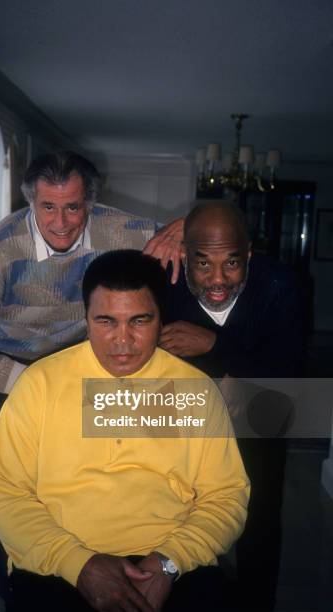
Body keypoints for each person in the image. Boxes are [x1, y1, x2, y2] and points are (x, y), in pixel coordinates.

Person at [0, 151, 183, 601]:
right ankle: (6, 586)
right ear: (30, 204)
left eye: (73, 207)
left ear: (90, 205)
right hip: (1, 371)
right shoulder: (1, 249)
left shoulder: (117, 228)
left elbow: (209, 243)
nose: (61, 223)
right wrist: (28, 382)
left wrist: (187, 225)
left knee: (74, 479)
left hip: (73, 366)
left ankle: (81, 574)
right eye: (47, 207)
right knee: (6, 491)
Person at [0, 249, 250, 612]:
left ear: (161, 319)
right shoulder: (39, 385)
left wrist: (168, 563)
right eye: (106, 322)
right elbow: (5, 495)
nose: (122, 341)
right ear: (86, 319)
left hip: (172, 559)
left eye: (139, 321)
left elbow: (227, 496)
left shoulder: (197, 392)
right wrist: (79, 565)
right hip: (58, 562)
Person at [161, 200, 305, 611]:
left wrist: (215, 347)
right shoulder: (164, 281)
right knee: (183, 517)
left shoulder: (282, 286)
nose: (218, 280)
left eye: (233, 263)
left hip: (260, 428)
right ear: (185, 254)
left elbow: (289, 378)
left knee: (258, 523)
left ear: (250, 256)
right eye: (203, 264)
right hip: (185, 428)